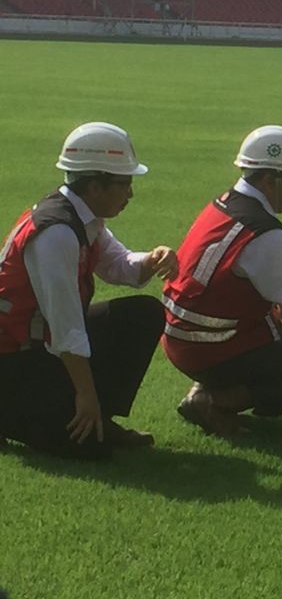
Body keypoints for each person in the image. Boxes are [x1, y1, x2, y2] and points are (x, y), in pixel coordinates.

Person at [0, 123, 175, 459]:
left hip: (35, 348)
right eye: (125, 184)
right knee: (89, 451)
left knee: (143, 314)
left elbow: (119, 265)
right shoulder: (57, 234)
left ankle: (97, 420)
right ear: (95, 185)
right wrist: (86, 395)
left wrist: (152, 259)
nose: (131, 193)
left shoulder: (82, 217)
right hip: (13, 359)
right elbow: (65, 327)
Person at [161, 126, 282, 436]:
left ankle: (208, 391)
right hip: (208, 349)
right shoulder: (265, 233)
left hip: (178, 338)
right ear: (270, 180)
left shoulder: (222, 204)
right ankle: (215, 402)